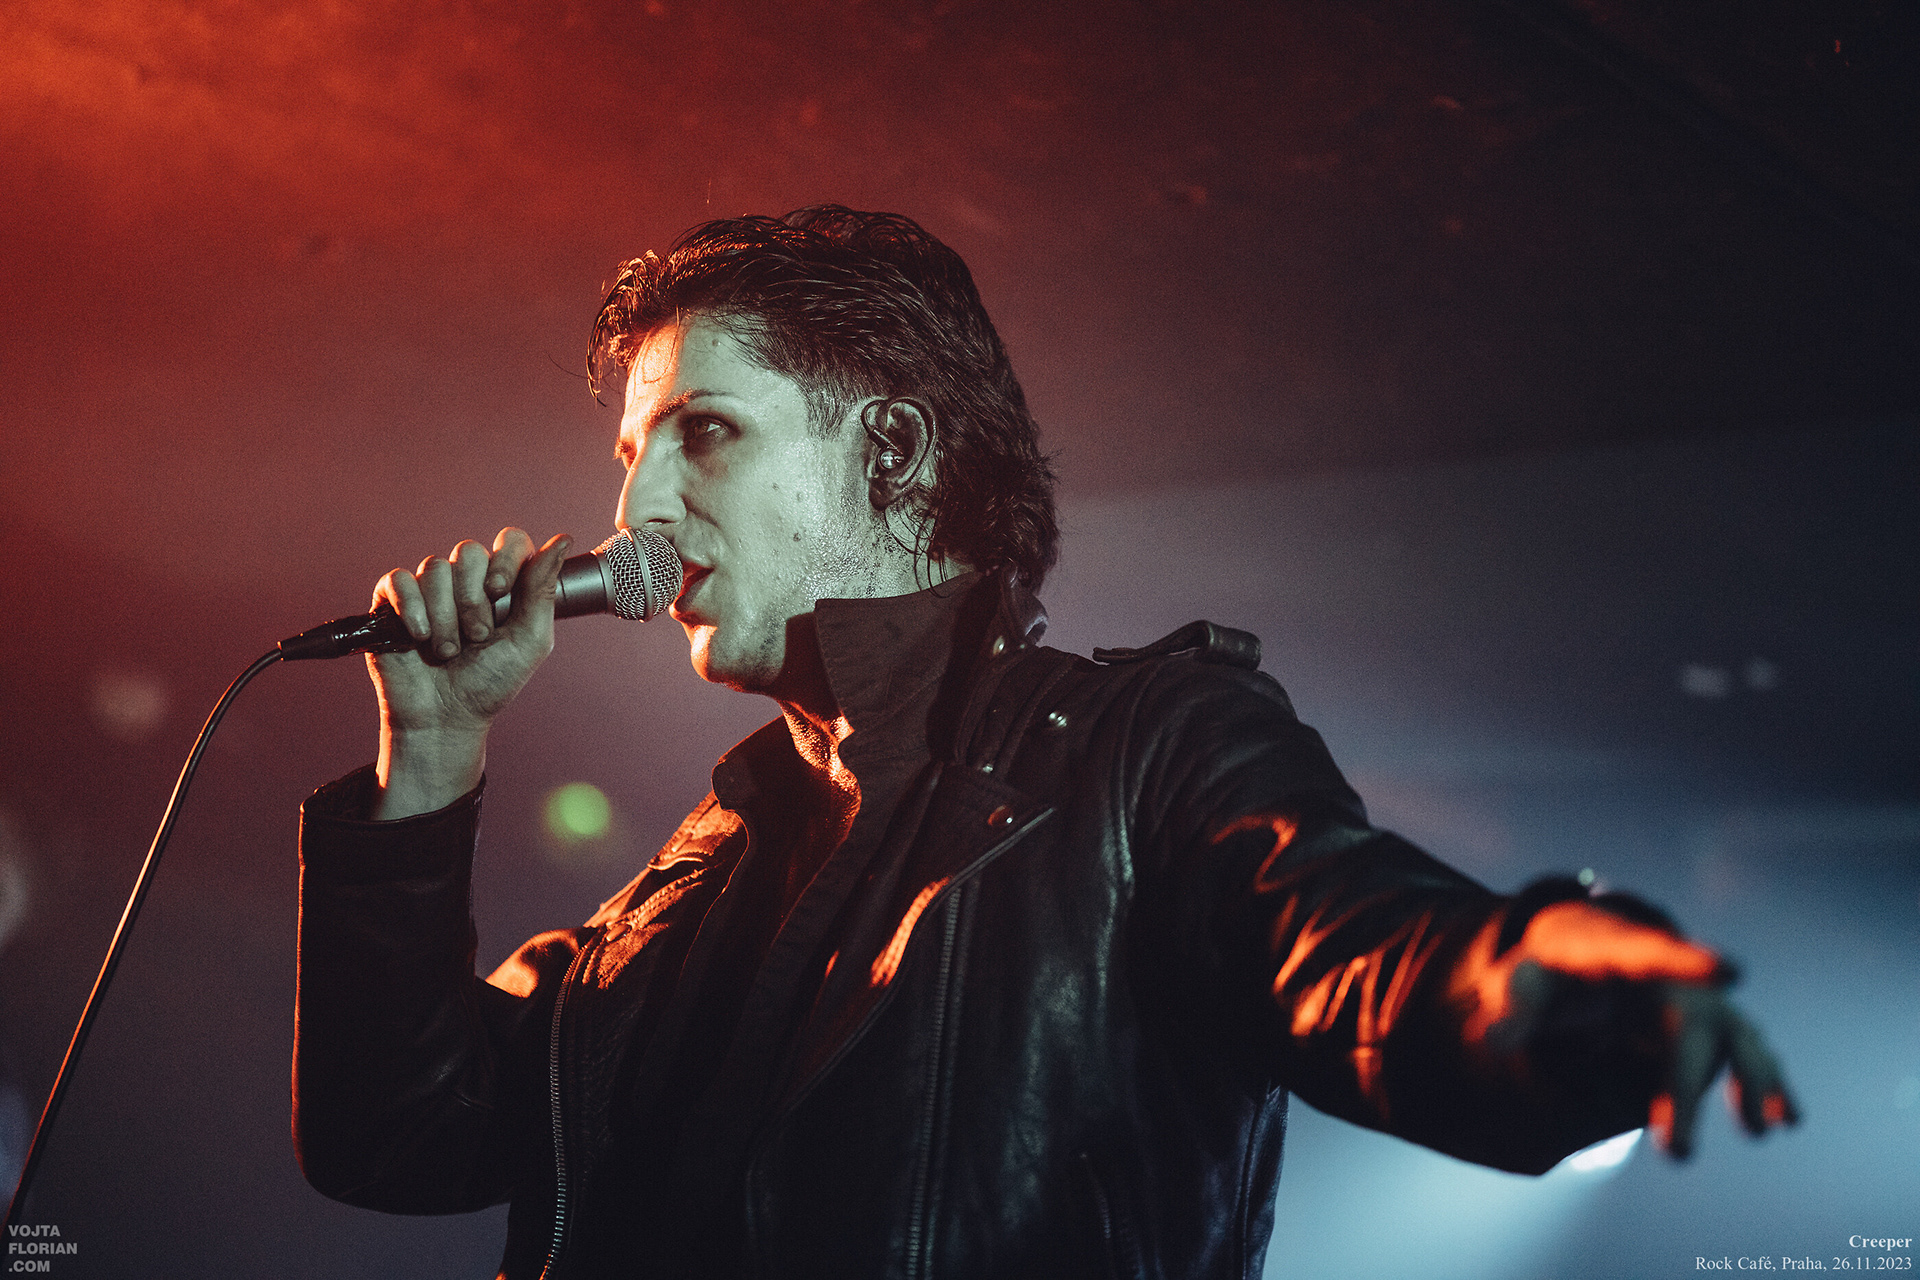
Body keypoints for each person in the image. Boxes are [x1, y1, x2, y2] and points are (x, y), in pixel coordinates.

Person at [293, 207, 1796, 1279]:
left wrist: (1535, 983)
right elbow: (401, 1140)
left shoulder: (1139, 753)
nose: (634, 513)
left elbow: (1357, 951)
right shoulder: (713, 861)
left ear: (890, 451)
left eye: (704, 431)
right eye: (633, 454)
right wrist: (433, 751)